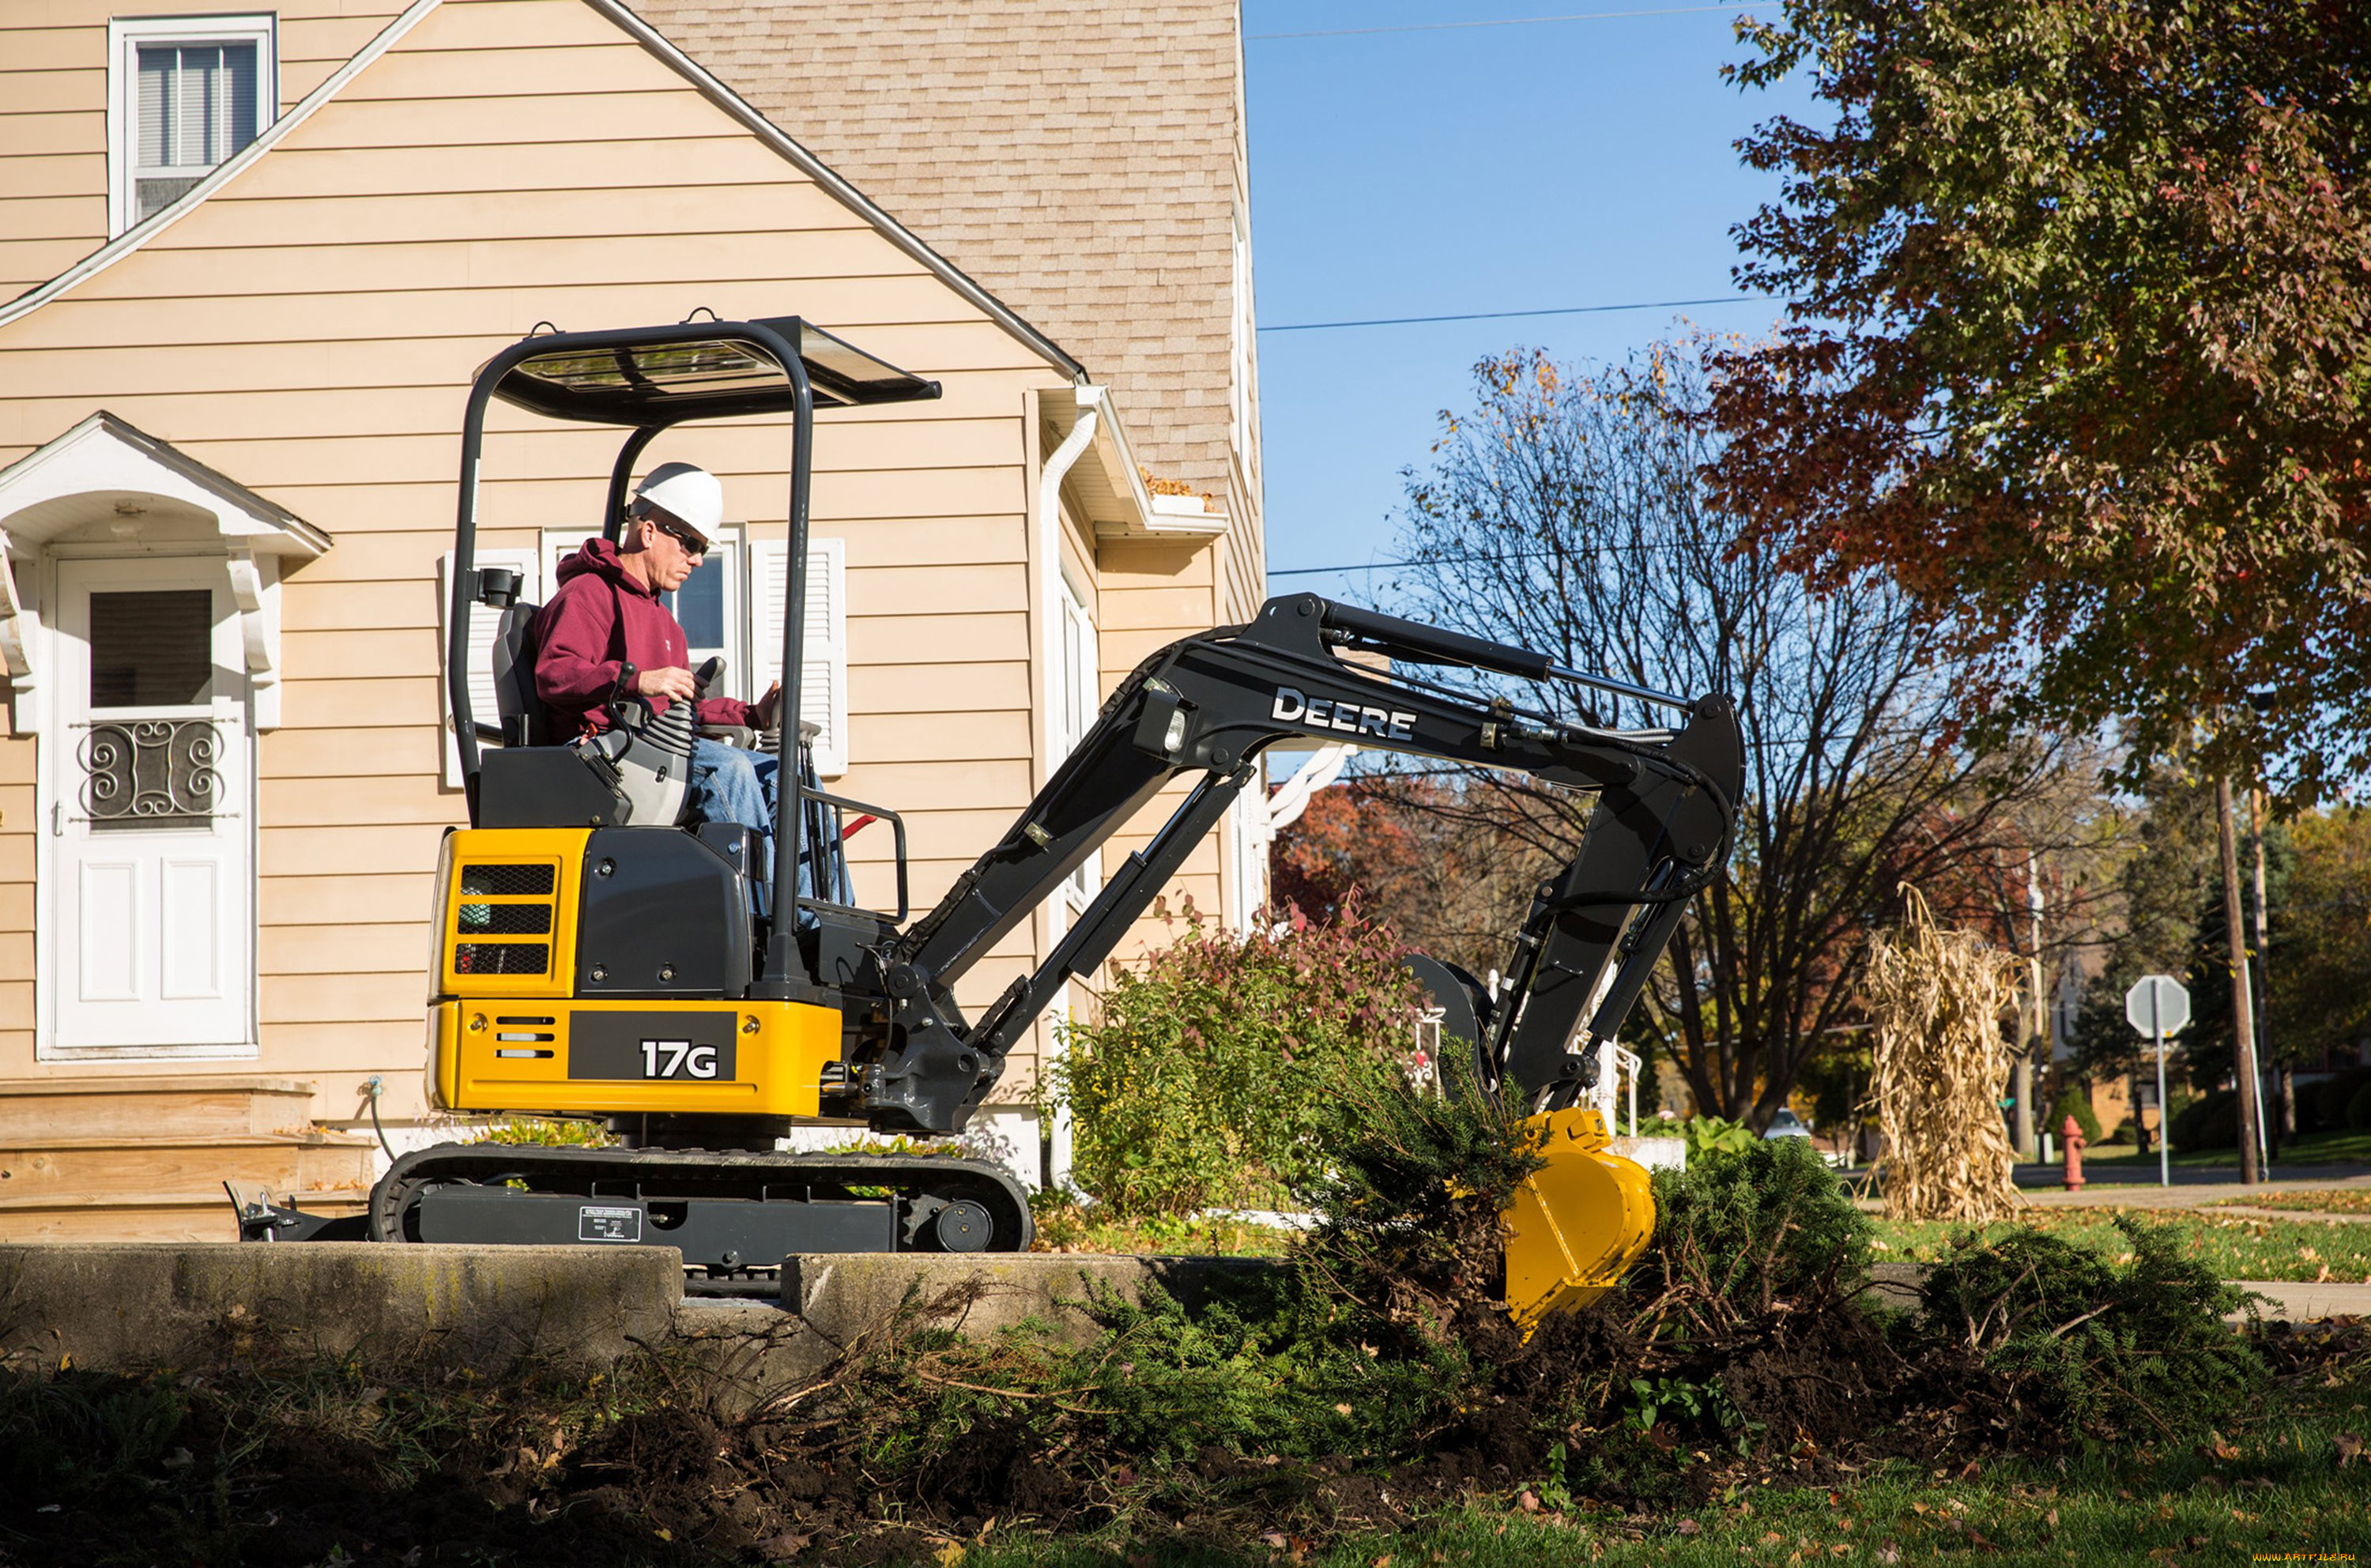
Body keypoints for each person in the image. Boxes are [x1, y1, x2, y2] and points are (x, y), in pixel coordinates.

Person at [531, 462, 785, 848]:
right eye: (693, 545)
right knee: (730, 769)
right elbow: (556, 673)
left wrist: (753, 715)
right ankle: (760, 906)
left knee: (782, 774)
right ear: (649, 532)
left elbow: (680, 714)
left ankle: (817, 908)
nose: (698, 559)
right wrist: (638, 680)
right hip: (600, 757)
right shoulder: (588, 593)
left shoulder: (667, 626)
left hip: (653, 751)